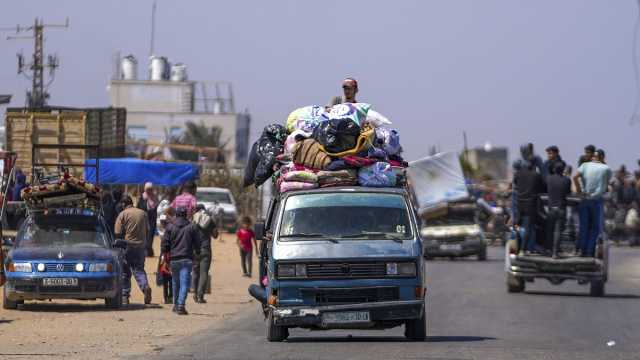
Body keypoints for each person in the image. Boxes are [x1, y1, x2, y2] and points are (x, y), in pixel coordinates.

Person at [161, 207, 201, 315]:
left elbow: (165, 243)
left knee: (175, 283)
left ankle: (175, 305)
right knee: (184, 283)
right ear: (186, 215)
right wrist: (197, 254)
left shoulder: (170, 227)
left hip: (174, 259)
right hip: (187, 258)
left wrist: (165, 256)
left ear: (176, 215)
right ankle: (181, 305)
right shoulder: (192, 226)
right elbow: (198, 242)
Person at [573, 149, 612, 257]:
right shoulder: (606, 168)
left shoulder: (585, 165)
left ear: (593, 157)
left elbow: (575, 177)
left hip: (584, 199)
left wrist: (579, 191)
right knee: (595, 228)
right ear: (603, 158)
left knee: (583, 226)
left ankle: (581, 250)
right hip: (596, 200)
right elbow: (606, 185)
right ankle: (589, 252)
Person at [114, 196, 152, 305]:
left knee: (125, 271)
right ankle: (145, 287)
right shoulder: (143, 213)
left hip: (127, 246)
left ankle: (125, 295)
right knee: (139, 269)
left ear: (123, 204)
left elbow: (117, 232)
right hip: (141, 247)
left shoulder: (123, 214)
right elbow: (148, 230)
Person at [514, 160, 546, 255]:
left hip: (520, 204)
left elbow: (516, 184)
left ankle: (518, 246)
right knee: (528, 228)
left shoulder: (518, 174)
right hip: (530, 205)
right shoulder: (536, 175)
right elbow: (542, 188)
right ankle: (523, 249)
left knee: (518, 225)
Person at [191, 204, 219, 303]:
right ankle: (200, 296)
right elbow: (215, 235)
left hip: (194, 250)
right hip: (206, 249)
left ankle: (194, 293)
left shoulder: (193, 220)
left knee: (195, 272)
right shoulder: (209, 220)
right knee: (204, 273)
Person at [546, 162, 572, 258]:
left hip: (551, 208)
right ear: (563, 170)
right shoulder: (567, 180)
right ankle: (555, 253)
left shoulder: (549, 179)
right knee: (558, 231)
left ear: (554, 169)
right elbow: (568, 193)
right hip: (561, 209)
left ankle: (548, 250)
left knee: (549, 230)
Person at [138, 182, 159, 257]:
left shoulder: (155, 197)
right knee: (144, 235)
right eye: (148, 189)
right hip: (143, 218)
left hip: (152, 218)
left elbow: (156, 207)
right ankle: (146, 251)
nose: (149, 191)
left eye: (150, 189)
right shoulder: (142, 197)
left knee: (150, 235)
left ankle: (149, 250)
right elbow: (139, 207)